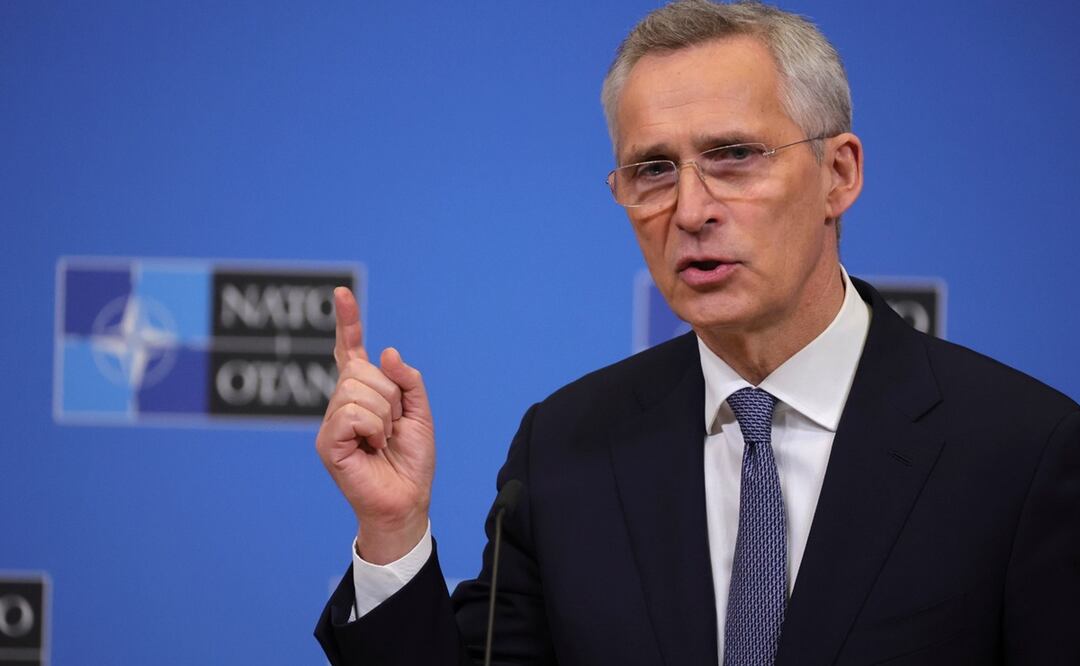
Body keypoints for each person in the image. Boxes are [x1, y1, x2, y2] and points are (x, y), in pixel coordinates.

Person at [314, 1, 1080, 664]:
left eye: (733, 156)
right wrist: (395, 529)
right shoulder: (566, 451)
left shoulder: (1023, 453)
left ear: (838, 174)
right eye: (652, 169)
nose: (689, 210)